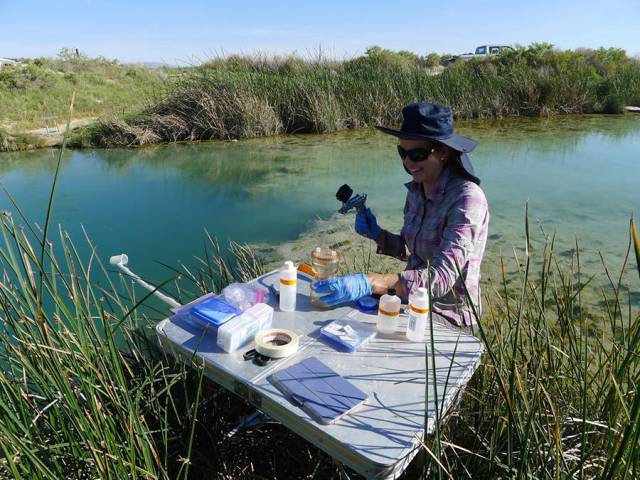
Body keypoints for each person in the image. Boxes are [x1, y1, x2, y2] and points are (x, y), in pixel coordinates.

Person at [315, 102, 489, 329]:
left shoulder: (467, 199)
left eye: (417, 154)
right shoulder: (417, 190)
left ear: (444, 152)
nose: (408, 162)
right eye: (402, 153)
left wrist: (370, 282)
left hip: (447, 314)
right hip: (409, 299)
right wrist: (378, 235)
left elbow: (441, 278)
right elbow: (412, 252)